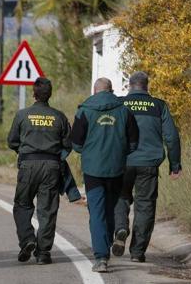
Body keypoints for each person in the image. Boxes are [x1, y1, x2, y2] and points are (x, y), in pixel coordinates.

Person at [112, 71, 181, 262]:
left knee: (120, 197)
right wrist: (175, 164)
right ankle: (137, 252)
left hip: (122, 163)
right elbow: (171, 137)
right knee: (145, 206)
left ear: (129, 85)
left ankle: (120, 228)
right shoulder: (158, 106)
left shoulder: (118, 104)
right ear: (147, 86)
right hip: (149, 164)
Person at [71, 77, 139, 273]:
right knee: (109, 208)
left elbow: (76, 143)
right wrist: (119, 153)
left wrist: (90, 152)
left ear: (94, 92)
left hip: (92, 171)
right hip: (117, 169)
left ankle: (101, 258)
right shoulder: (124, 110)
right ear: (111, 91)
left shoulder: (84, 110)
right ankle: (107, 241)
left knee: (97, 212)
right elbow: (134, 143)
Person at [7, 78, 72, 265]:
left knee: (22, 205)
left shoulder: (22, 115)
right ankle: (43, 253)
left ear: (34, 94)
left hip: (28, 165)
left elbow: (12, 141)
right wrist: (59, 156)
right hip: (52, 167)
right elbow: (68, 144)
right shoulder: (59, 116)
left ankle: (27, 239)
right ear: (49, 94)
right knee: (48, 210)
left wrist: (23, 150)